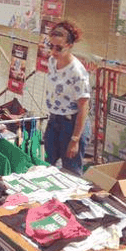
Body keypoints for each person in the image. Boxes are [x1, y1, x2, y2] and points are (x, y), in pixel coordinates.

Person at [43, 20, 91, 176]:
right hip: (54, 120)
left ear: (69, 45)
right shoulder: (52, 61)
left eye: (59, 48)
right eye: (51, 46)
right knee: (46, 165)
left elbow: (84, 107)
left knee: (71, 173)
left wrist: (75, 139)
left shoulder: (77, 72)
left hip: (71, 124)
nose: (53, 51)